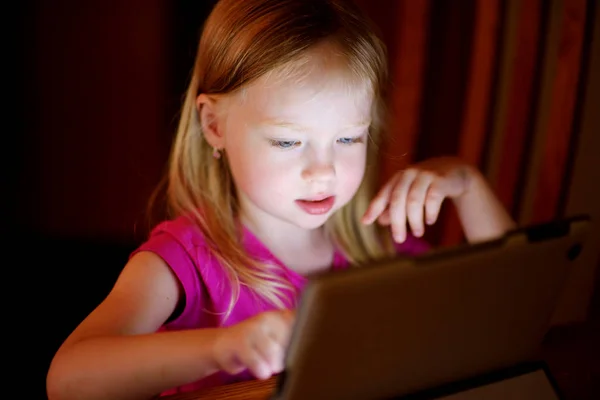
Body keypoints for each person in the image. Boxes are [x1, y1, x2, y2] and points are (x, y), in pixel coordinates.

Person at [46, 0, 516, 399]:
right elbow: (68, 379)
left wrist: (468, 185)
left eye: (349, 139)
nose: (323, 170)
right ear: (214, 125)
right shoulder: (185, 259)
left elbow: (510, 312)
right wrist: (222, 347)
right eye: (288, 142)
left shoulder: (378, 245)